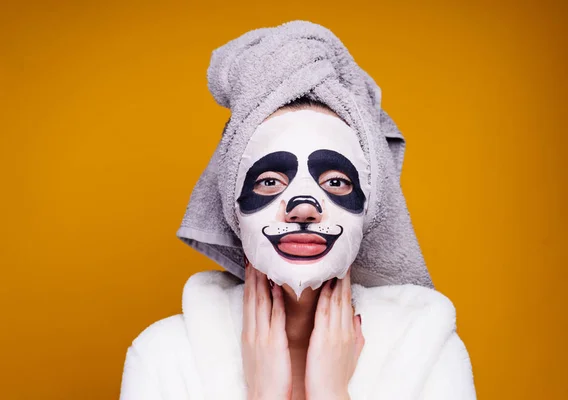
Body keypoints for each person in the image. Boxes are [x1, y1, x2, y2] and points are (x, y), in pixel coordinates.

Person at [119, 21, 476, 400]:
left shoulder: (427, 351)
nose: (303, 208)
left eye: (336, 182)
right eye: (270, 181)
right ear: (233, 208)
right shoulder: (163, 358)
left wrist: (331, 393)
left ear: (369, 208)